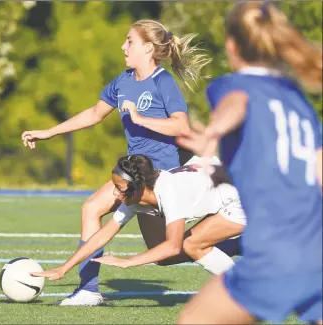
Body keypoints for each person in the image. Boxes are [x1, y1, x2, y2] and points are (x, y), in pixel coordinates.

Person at [21, 19, 211, 306]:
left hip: (161, 176)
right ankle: (88, 289)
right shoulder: (123, 81)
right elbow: (95, 113)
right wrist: (50, 132)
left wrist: (139, 118)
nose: (124, 46)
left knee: (167, 253)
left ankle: (224, 240)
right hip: (133, 175)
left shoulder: (163, 82)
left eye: (130, 41)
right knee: (92, 209)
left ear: (148, 48)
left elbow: (181, 127)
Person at [175, 2, 322, 324]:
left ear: (231, 46)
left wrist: (215, 130)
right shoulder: (298, 100)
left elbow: (238, 103)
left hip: (277, 255)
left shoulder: (233, 86)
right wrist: (228, 171)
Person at [31, 154, 246, 296]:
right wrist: (63, 268)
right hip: (225, 179)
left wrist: (128, 262)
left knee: (190, 246)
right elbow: (103, 234)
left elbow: (173, 245)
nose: (115, 193)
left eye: (119, 187)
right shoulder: (136, 198)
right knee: (186, 248)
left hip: (242, 196)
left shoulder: (169, 193)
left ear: (138, 186)